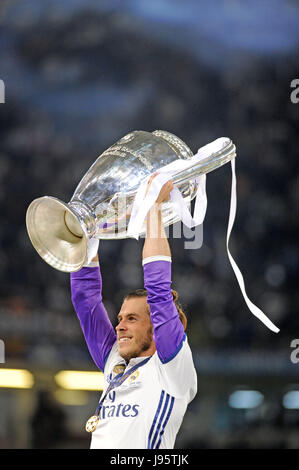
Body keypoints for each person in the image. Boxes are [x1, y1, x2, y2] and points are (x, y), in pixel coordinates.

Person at [70, 176, 197, 449]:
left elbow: (159, 292)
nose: (119, 327)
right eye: (120, 319)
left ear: (158, 327)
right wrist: (86, 235)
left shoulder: (171, 366)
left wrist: (153, 210)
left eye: (132, 318)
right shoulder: (114, 358)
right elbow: (86, 301)